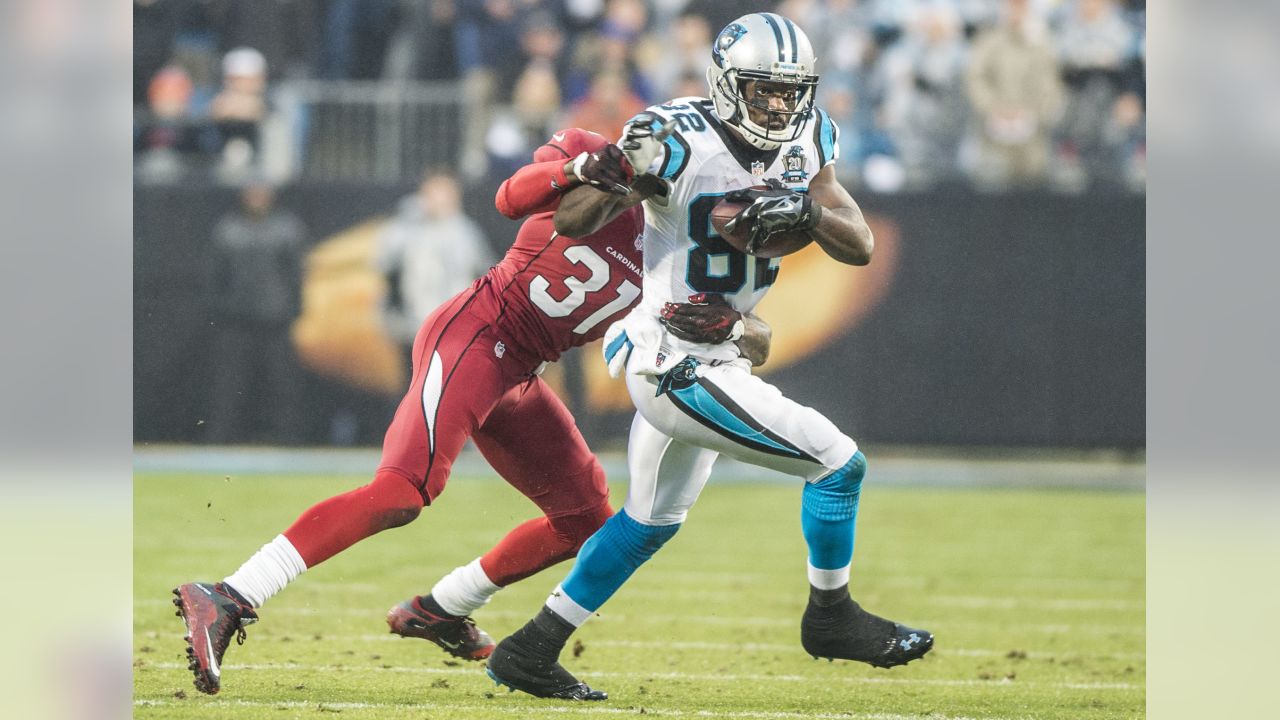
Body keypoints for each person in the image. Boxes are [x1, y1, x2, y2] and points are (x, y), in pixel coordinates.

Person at [172, 127, 773, 696]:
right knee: (402, 492)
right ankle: (230, 592)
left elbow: (760, 335)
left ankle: (441, 609)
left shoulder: (690, 247)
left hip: (522, 371)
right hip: (478, 336)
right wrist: (580, 169)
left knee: (587, 522)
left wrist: (742, 325)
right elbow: (511, 196)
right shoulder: (606, 156)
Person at [486, 13, 934, 701]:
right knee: (839, 464)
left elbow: (859, 243)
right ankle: (832, 616)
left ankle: (530, 649)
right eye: (765, 90)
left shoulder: (810, 140)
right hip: (669, 356)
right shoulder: (673, 138)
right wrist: (612, 173)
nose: (782, 106)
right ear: (727, 84)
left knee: (650, 522)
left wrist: (805, 214)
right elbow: (572, 221)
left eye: (793, 91)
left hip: (721, 351)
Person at [205, 181, 306, 445]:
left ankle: (288, 439)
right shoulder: (229, 230)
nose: (257, 198)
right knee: (229, 385)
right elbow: (217, 275)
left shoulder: (287, 228)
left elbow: (296, 275)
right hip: (237, 320)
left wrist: (292, 309)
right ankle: (222, 438)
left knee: (282, 385)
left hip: (276, 319)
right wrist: (224, 308)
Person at [375, 170, 494, 370]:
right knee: (415, 386)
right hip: (413, 326)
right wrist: (396, 316)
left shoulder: (465, 232)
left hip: (454, 327)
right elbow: (387, 270)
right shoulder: (404, 228)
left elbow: (483, 273)